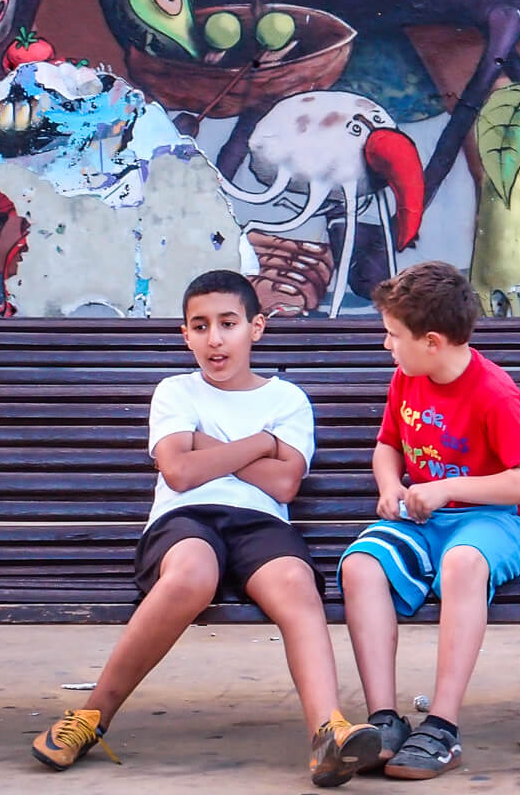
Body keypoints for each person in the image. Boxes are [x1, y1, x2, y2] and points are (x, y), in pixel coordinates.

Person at [31, 269, 380, 787]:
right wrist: (260, 444)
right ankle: (91, 716)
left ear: (256, 328)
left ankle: (327, 732)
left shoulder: (286, 400)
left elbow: (284, 485)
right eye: (200, 326)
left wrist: (207, 445)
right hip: (184, 519)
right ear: (185, 334)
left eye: (228, 323)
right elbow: (179, 472)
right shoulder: (175, 392)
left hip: (261, 522)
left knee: (294, 584)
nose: (214, 339)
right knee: (191, 575)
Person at [338, 260, 520, 780]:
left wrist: (448, 488)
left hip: (493, 524)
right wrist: (391, 487)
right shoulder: (407, 377)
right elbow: (387, 446)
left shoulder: (493, 392)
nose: (386, 346)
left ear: (431, 341)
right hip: (422, 519)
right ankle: (385, 721)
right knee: (360, 565)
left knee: (461, 563)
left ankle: (442, 728)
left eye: (392, 336)